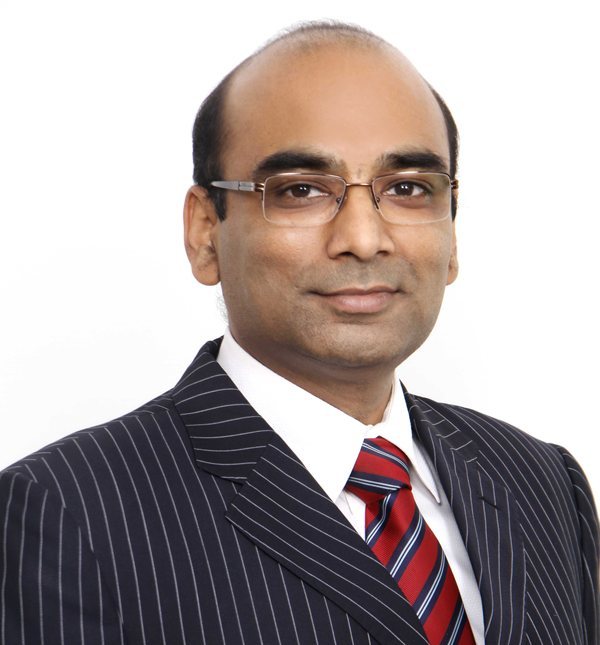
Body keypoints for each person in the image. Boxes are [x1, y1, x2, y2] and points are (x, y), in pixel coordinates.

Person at [1, 21, 598, 645]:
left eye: (408, 188)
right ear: (205, 233)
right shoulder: (69, 513)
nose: (363, 239)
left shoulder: (541, 481)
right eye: (302, 191)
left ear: (452, 232)